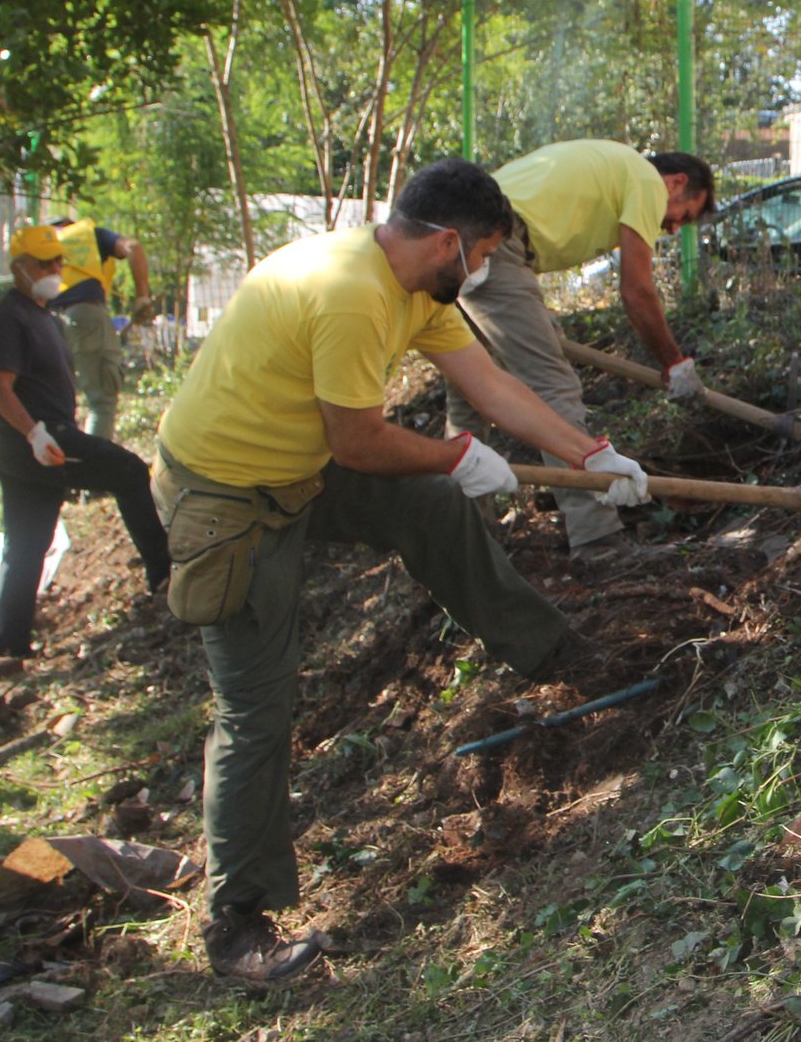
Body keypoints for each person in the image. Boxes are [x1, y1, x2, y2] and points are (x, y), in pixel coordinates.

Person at [153, 158, 649, 983]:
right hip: (229, 492)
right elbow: (357, 442)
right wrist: (456, 454)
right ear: (450, 240)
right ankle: (237, 923)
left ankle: (557, 656)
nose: (487, 270)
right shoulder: (350, 290)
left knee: (430, 504)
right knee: (257, 700)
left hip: (300, 460)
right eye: (486, 252)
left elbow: (492, 383)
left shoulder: (420, 286)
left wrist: (591, 454)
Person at [445, 143, 714, 561]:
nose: (675, 228)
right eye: (686, 214)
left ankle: (464, 540)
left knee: (468, 394)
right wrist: (674, 363)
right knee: (553, 388)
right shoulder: (646, 179)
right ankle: (597, 539)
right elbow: (637, 290)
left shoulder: (614, 166)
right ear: (676, 182)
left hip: (462, 238)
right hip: (494, 242)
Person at [0, 225, 171, 672]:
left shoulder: (43, 314)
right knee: (128, 472)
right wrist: (34, 433)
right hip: (41, 442)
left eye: (57, 262)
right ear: (18, 267)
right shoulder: (9, 317)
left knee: (27, 545)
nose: (52, 270)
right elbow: (0, 390)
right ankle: (164, 576)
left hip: (33, 446)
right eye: (42, 264)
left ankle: (11, 646)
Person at [47, 216, 155, 442]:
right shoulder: (88, 234)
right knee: (101, 401)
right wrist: (142, 297)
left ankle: (56, 466)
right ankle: (93, 472)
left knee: (53, 400)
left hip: (44, 321)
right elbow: (133, 248)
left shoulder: (40, 243)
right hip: (85, 314)